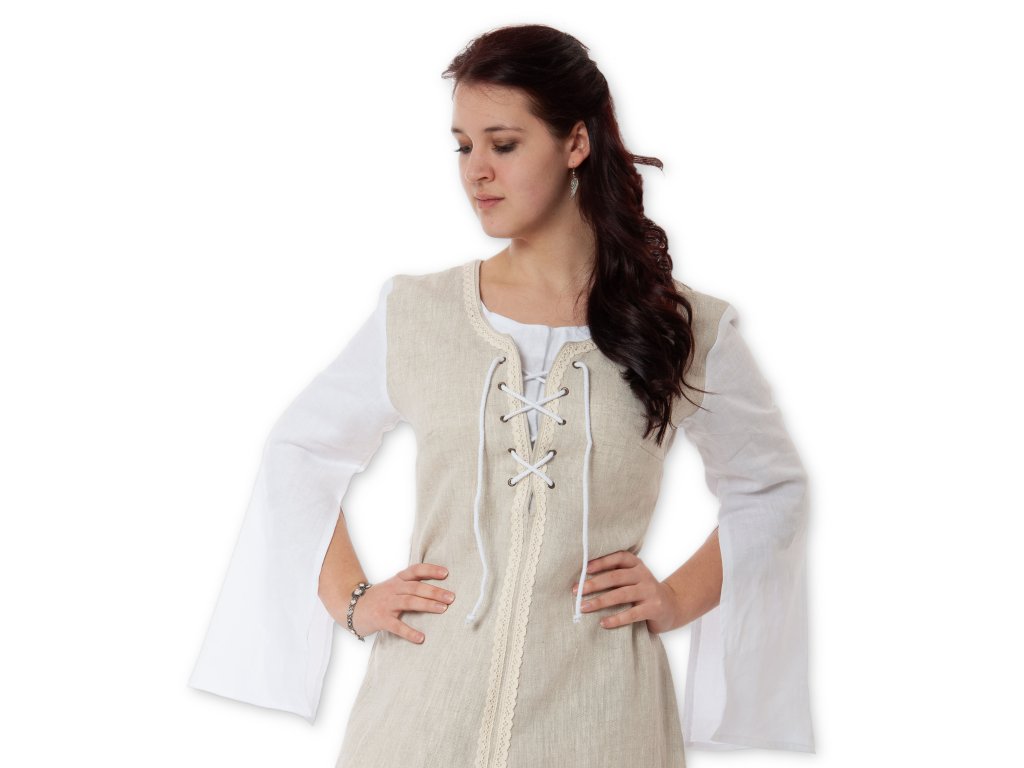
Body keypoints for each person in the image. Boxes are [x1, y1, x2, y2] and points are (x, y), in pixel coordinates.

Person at [188, 23, 815, 767]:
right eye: (463, 146)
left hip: (602, 728)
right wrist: (354, 600)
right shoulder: (418, 314)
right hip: (418, 726)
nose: (476, 172)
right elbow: (300, 452)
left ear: (575, 143)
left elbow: (770, 487)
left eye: (504, 144)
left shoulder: (683, 327)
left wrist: (677, 597)